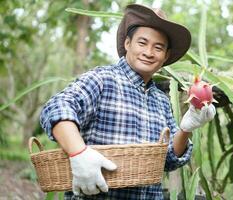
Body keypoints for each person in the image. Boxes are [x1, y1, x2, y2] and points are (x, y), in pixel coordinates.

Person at [40, 3, 216, 200]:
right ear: (127, 44)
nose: (149, 52)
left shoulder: (161, 100)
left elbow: (169, 160)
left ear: (165, 56)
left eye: (158, 47)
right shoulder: (102, 80)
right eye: (142, 43)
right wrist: (78, 153)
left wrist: (186, 128)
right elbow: (57, 108)